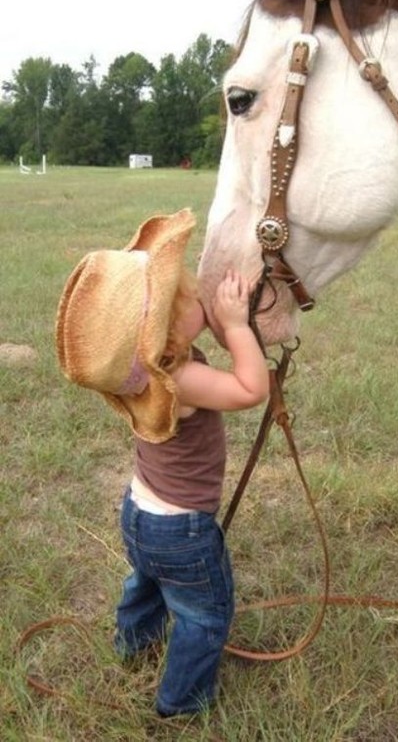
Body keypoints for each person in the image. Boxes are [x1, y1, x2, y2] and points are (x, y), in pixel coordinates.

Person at [55, 208, 269, 718]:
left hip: (140, 513)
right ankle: (181, 704)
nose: (200, 292)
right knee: (204, 614)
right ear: (167, 338)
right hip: (182, 531)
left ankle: (134, 646)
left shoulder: (144, 374)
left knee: (146, 582)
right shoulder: (182, 380)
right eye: (190, 294)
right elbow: (250, 389)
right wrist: (237, 325)